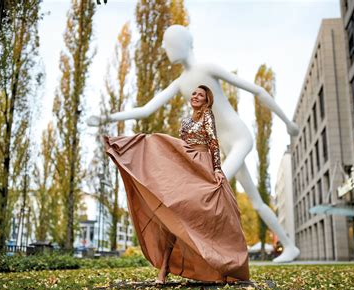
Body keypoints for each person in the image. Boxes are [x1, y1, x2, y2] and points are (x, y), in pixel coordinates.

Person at [88, 25, 301, 263]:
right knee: (257, 202)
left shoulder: (206, 68)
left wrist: (287, 123)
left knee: (213, 187)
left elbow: (257, 90)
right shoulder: (181, 83)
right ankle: (290, 247)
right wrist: (106, 118)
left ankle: (216, 254)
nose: (165, 48)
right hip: (223, 146)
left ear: (184, 43)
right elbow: (145, 110)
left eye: (169, 43)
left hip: (240, 138)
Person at [104, 85, 250, 284]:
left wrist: (216, 169)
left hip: (204, 166)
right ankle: (163, 270)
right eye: (195, 93)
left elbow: (213, 142)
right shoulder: (185, 121)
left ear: (207, 101)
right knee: (174, 213)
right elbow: (181, 147)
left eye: (201, 95)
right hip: (187, 166)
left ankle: (221, 268)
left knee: (215, 214)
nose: (196, 96)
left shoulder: (207, 115)